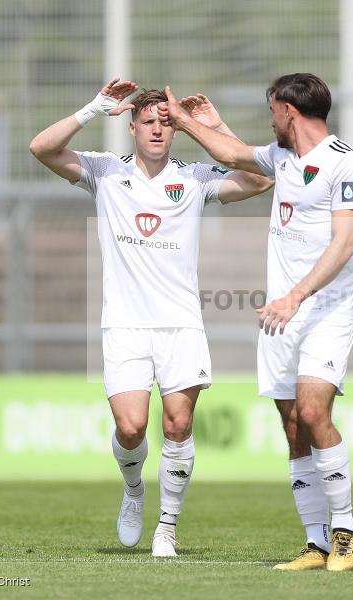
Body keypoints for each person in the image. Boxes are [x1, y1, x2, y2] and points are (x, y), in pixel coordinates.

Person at [29, 79, 272, 556]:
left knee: (178, 426)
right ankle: (135, 490)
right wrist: (94, 108)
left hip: (180, 323)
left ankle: (168, 527)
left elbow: (261, 179)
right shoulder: (104, 171)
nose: (159, 130)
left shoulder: (196, 177)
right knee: (132, 427)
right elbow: (42, 147)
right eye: (150, 122)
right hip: (124, 324)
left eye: (167, 122)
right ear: (133, 127)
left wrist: (213, 127)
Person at [160, 73, 353, 571]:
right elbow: (235, 157)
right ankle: (316, 544)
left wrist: (295, 296)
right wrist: (202, 124)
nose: (271, 119)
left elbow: (343, 245)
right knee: (293, 422)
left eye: (272, 110)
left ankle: (345, 533)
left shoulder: (349, 162)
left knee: (314, 411)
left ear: (289, 113)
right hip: (282, 314)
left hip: (324, 310)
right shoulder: (283, 159)